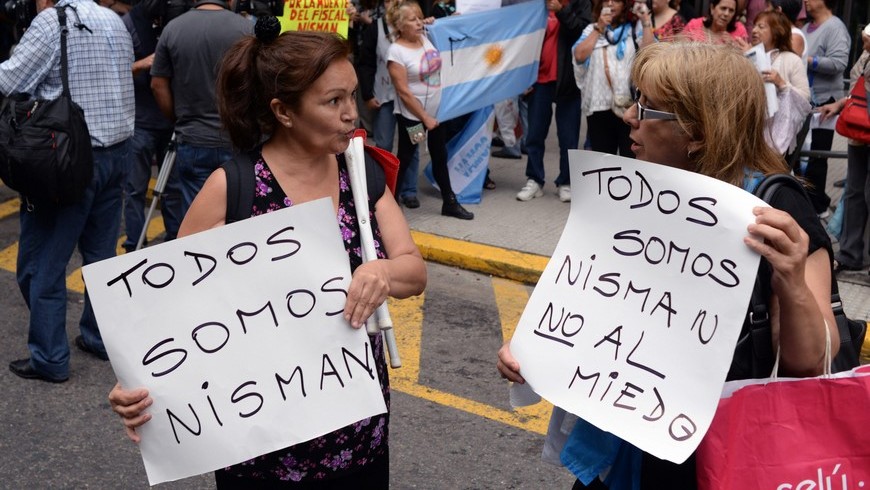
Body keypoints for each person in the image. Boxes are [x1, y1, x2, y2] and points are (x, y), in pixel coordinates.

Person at [498, 42, 836, 488]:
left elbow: (813, 363)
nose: (630, 117)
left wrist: (791, 282)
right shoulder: (634, 191)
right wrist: (536, 355)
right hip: (624, 443)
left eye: (648, 108)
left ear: (697, 131)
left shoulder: (776, 209)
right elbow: (607, 308)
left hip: (717, 459)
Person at [109, 24, 427, 486]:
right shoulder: (232, 188)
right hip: (258, 444)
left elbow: (413, 270)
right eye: (332, 101)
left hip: (358, 434)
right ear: (283, 111)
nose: (350, 115)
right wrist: (136, 385)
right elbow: (165, 316)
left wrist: (380, 272)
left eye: (352, 97)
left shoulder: (362, 176)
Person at [0, 0, 135, 382]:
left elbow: (9, 81)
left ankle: (49, 358)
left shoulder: (51, 21)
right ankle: (96, 337)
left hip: (69, 157)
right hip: (118, 151)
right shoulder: (114, 19)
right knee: (101, 256)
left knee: (42, 263)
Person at [150, 0, 253, 218]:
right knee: (238, 211)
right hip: (235, 137)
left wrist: (177, 119)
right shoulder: (245, 29)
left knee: (197, 215)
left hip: (192, 137)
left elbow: (158, 84)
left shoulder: (173, 28)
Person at [386, 0, 474, 219]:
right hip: (413, 118)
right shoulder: (396, 52)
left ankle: (449, 202)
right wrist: (424, 117)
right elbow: (404, 92)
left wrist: (434, 22)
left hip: (436, 114)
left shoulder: (426, 36)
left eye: (419, 17)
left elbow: (451, 27)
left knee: (439, 155)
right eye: (412, 19)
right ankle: (390, 206)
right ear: (399, 26)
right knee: (405, 158)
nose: (417, 22)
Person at [121, 0, 183, 253]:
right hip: (140, 122)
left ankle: (175, 244)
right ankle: (134, 245)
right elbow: (112, 72)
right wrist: (141, 64)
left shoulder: (178, 22)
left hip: (171, 121)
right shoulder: (129, 24)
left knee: (174, 189)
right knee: (135, 190)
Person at [515, 0, 591, 203]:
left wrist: (562, 11)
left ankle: (565, 182)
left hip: (568, 81)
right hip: (539, 80)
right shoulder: (536, 5)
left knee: (568, 137)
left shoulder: (580, 3)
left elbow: (583, 32)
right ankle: (534, 179)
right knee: (535, 134)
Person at [357, 0, 423, 208]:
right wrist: (367, 94)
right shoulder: (374, 29)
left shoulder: (420, 30)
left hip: (411, 102)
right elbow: (365, 63)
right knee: (383, 145)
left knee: (414, 144)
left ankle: (409, 191)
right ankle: (383, 189)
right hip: (384, 98)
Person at [818, 27, 870, 273]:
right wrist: (840, 105)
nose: (865, 45)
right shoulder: (865, 57)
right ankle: (850, 253)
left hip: (864, 129)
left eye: (867, 41)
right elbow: (856, 91)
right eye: (864, 41)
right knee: (854, 193)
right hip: (859, 133)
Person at [798, 0, 849, 217]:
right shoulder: (804, 28)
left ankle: (817, 206)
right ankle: (805, 202)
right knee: (802, 156)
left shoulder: (835, 27)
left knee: (816, 158)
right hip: (805, 100)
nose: (806, 0)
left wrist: (805, 59)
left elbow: (839, 63)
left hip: (824, 103)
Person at [572, 0, 636, 158]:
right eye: (606, 0)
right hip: (599, 107)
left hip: (628, 108)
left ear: (624, 6)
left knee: (630, 159)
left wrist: (646, 23)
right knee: (604, 160)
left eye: (616, 1)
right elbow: (579, 55)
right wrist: (599, 27)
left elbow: (650, 54)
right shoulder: (591, 29)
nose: (611, 4)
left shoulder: (634, 30)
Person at [744, 10, 811, 155]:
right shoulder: (748, 56)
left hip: (775, 135)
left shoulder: (792, 60)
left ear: (776, 31)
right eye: (754, 26)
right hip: (748, 130)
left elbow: (805, 99)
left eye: (761, 27)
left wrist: (782, 83)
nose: (754, 30)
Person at [681, 0, 748, 45]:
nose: (726, 14)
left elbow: (746, 59)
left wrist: (732, 46)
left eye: (731, 10)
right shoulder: (694, 25)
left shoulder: (739, 31)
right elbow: (680, 50)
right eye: (723, 8)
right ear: (712, 8)